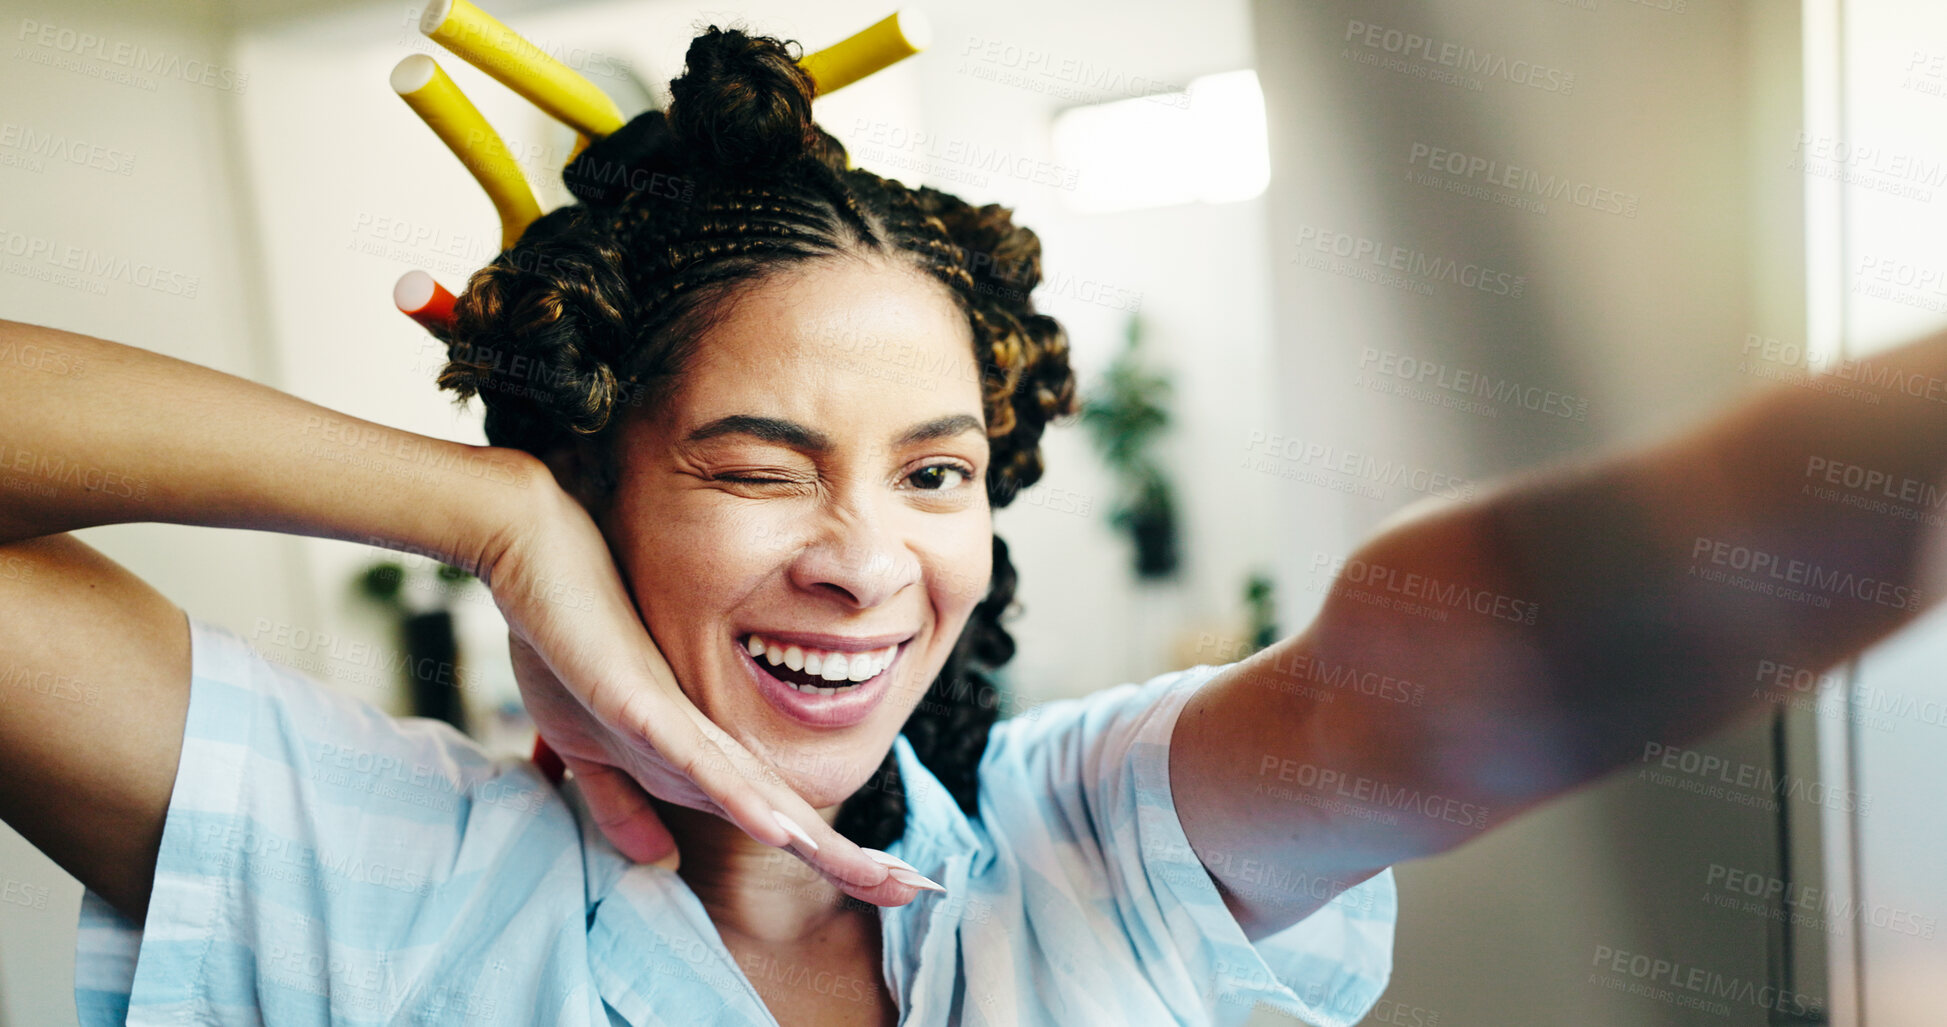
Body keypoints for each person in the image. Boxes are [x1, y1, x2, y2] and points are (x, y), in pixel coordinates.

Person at [3, 20, 1943, 1027]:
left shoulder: (1095, 838)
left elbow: (1498, 654)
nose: (867, 556)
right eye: (758, 462)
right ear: (597, 485)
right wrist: (483, 512)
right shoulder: (372, 869)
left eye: (932, 471)